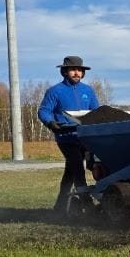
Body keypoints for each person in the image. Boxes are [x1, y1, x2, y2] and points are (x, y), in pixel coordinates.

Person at [38, 55, 101, 210]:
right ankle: (87, 202)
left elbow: (97, 112)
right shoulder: (55, 91)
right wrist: (51, 122)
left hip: (85, 137)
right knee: (77, 167)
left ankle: (60, 206)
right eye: (73, 70)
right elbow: (44, 111)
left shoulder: (88, 91)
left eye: (79, 70)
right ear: (65, 71)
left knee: (71, 172)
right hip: (66, 137)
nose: (76, 73)